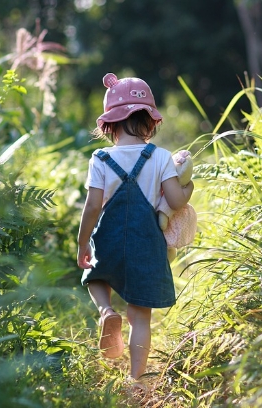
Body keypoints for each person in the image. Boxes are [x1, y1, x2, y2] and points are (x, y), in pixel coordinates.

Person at [76, 73, 194, 386]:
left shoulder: (100, 158)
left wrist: (82, 242)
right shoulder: (160, 157)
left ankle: (105, 311)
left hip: (109, 239)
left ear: (109, 124)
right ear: (151, 122)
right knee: (140, 316)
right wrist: (189, 185)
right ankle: (136, 379)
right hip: (146, 244)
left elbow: (92, 206)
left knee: (95, 277)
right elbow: (176, 200)